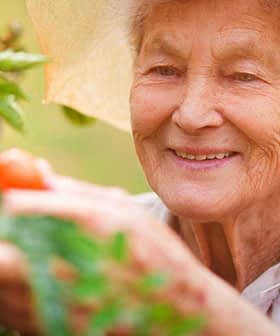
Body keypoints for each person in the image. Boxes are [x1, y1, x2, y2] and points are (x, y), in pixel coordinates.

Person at [1, 0, 280, 334]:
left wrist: (187, 305)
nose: (191, 115)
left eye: (243, 76)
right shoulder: (73, 265)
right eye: (164, 70)